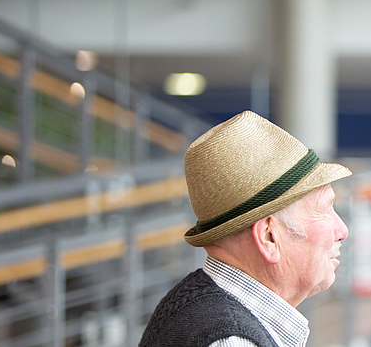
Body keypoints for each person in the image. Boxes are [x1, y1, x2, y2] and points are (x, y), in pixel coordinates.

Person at [139, 111, 352, 347]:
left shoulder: (197, 309)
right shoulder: (232, 341)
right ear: (269, 237)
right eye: (325, 210)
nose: (342, 230)